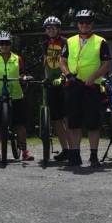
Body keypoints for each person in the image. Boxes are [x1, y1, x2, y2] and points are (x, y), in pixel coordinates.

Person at [59, 9, 111, 168]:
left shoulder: (101, 41)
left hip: (92, 86)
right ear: (77, 24)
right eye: (81, 22)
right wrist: (67, 74)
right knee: (73, 122)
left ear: (92, 24)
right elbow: (62, 60)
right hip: (74, 85)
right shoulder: (69, 41)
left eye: (87, 22)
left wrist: (94, 77)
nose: (84, 25)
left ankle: (94, 155)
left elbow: (106, 64)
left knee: (93, 123)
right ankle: (75, 154)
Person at [0, 31, 34, 162]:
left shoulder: (17, 58)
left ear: (11, 45)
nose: (4, 46)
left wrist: (25, 78)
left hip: (15, 94)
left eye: (7, 43)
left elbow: (22, 74)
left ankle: (24, 151)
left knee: (20, 124)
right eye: (2, 43)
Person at [41, 16, 71, 162]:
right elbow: (46, 62)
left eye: (53, 27)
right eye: (47, 28)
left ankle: (73, 149)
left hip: (64, 83)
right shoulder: (45, 43)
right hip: (52, 83)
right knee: (56, 119)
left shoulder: (66, 42)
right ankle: (65, 149)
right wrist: (46, 78)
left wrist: (64, 76)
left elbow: (68, 61)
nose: (50, 30)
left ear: (58, 29)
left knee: (66, 117)